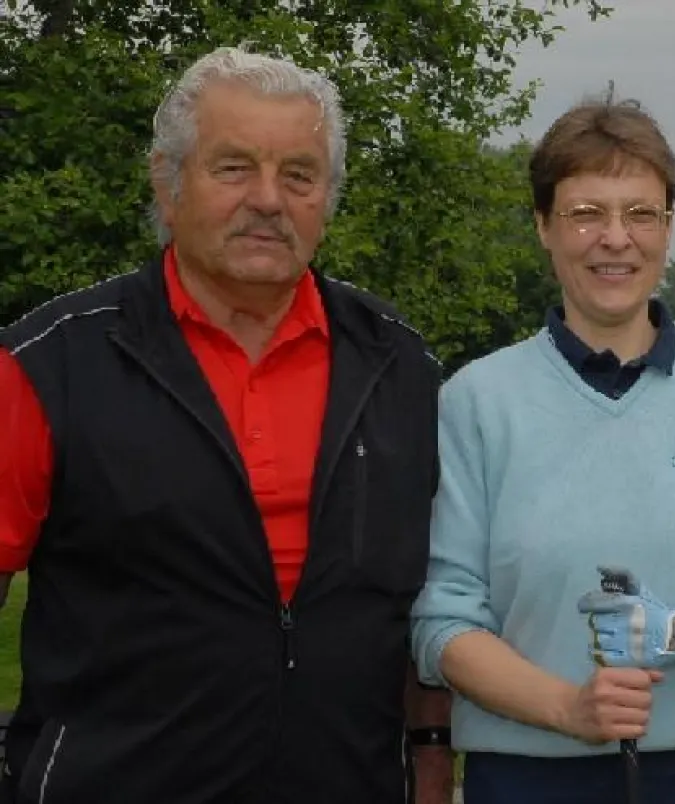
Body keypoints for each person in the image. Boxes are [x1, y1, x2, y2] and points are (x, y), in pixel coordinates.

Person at [0, 46, 453, 804]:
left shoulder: (400, 366)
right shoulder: (50, 366)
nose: (269, 200)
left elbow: (428, 601)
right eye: (234, 167)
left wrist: (432, 759)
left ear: (328, 199)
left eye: (299, 175)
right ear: (167, 182)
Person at [409, 92, 675, 804]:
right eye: (586, 213)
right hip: (529, 777)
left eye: (641, 213)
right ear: (543, 226)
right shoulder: (476, 401)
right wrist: (566, 709)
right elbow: (443, 619)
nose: (616, 238)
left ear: (668, 227)